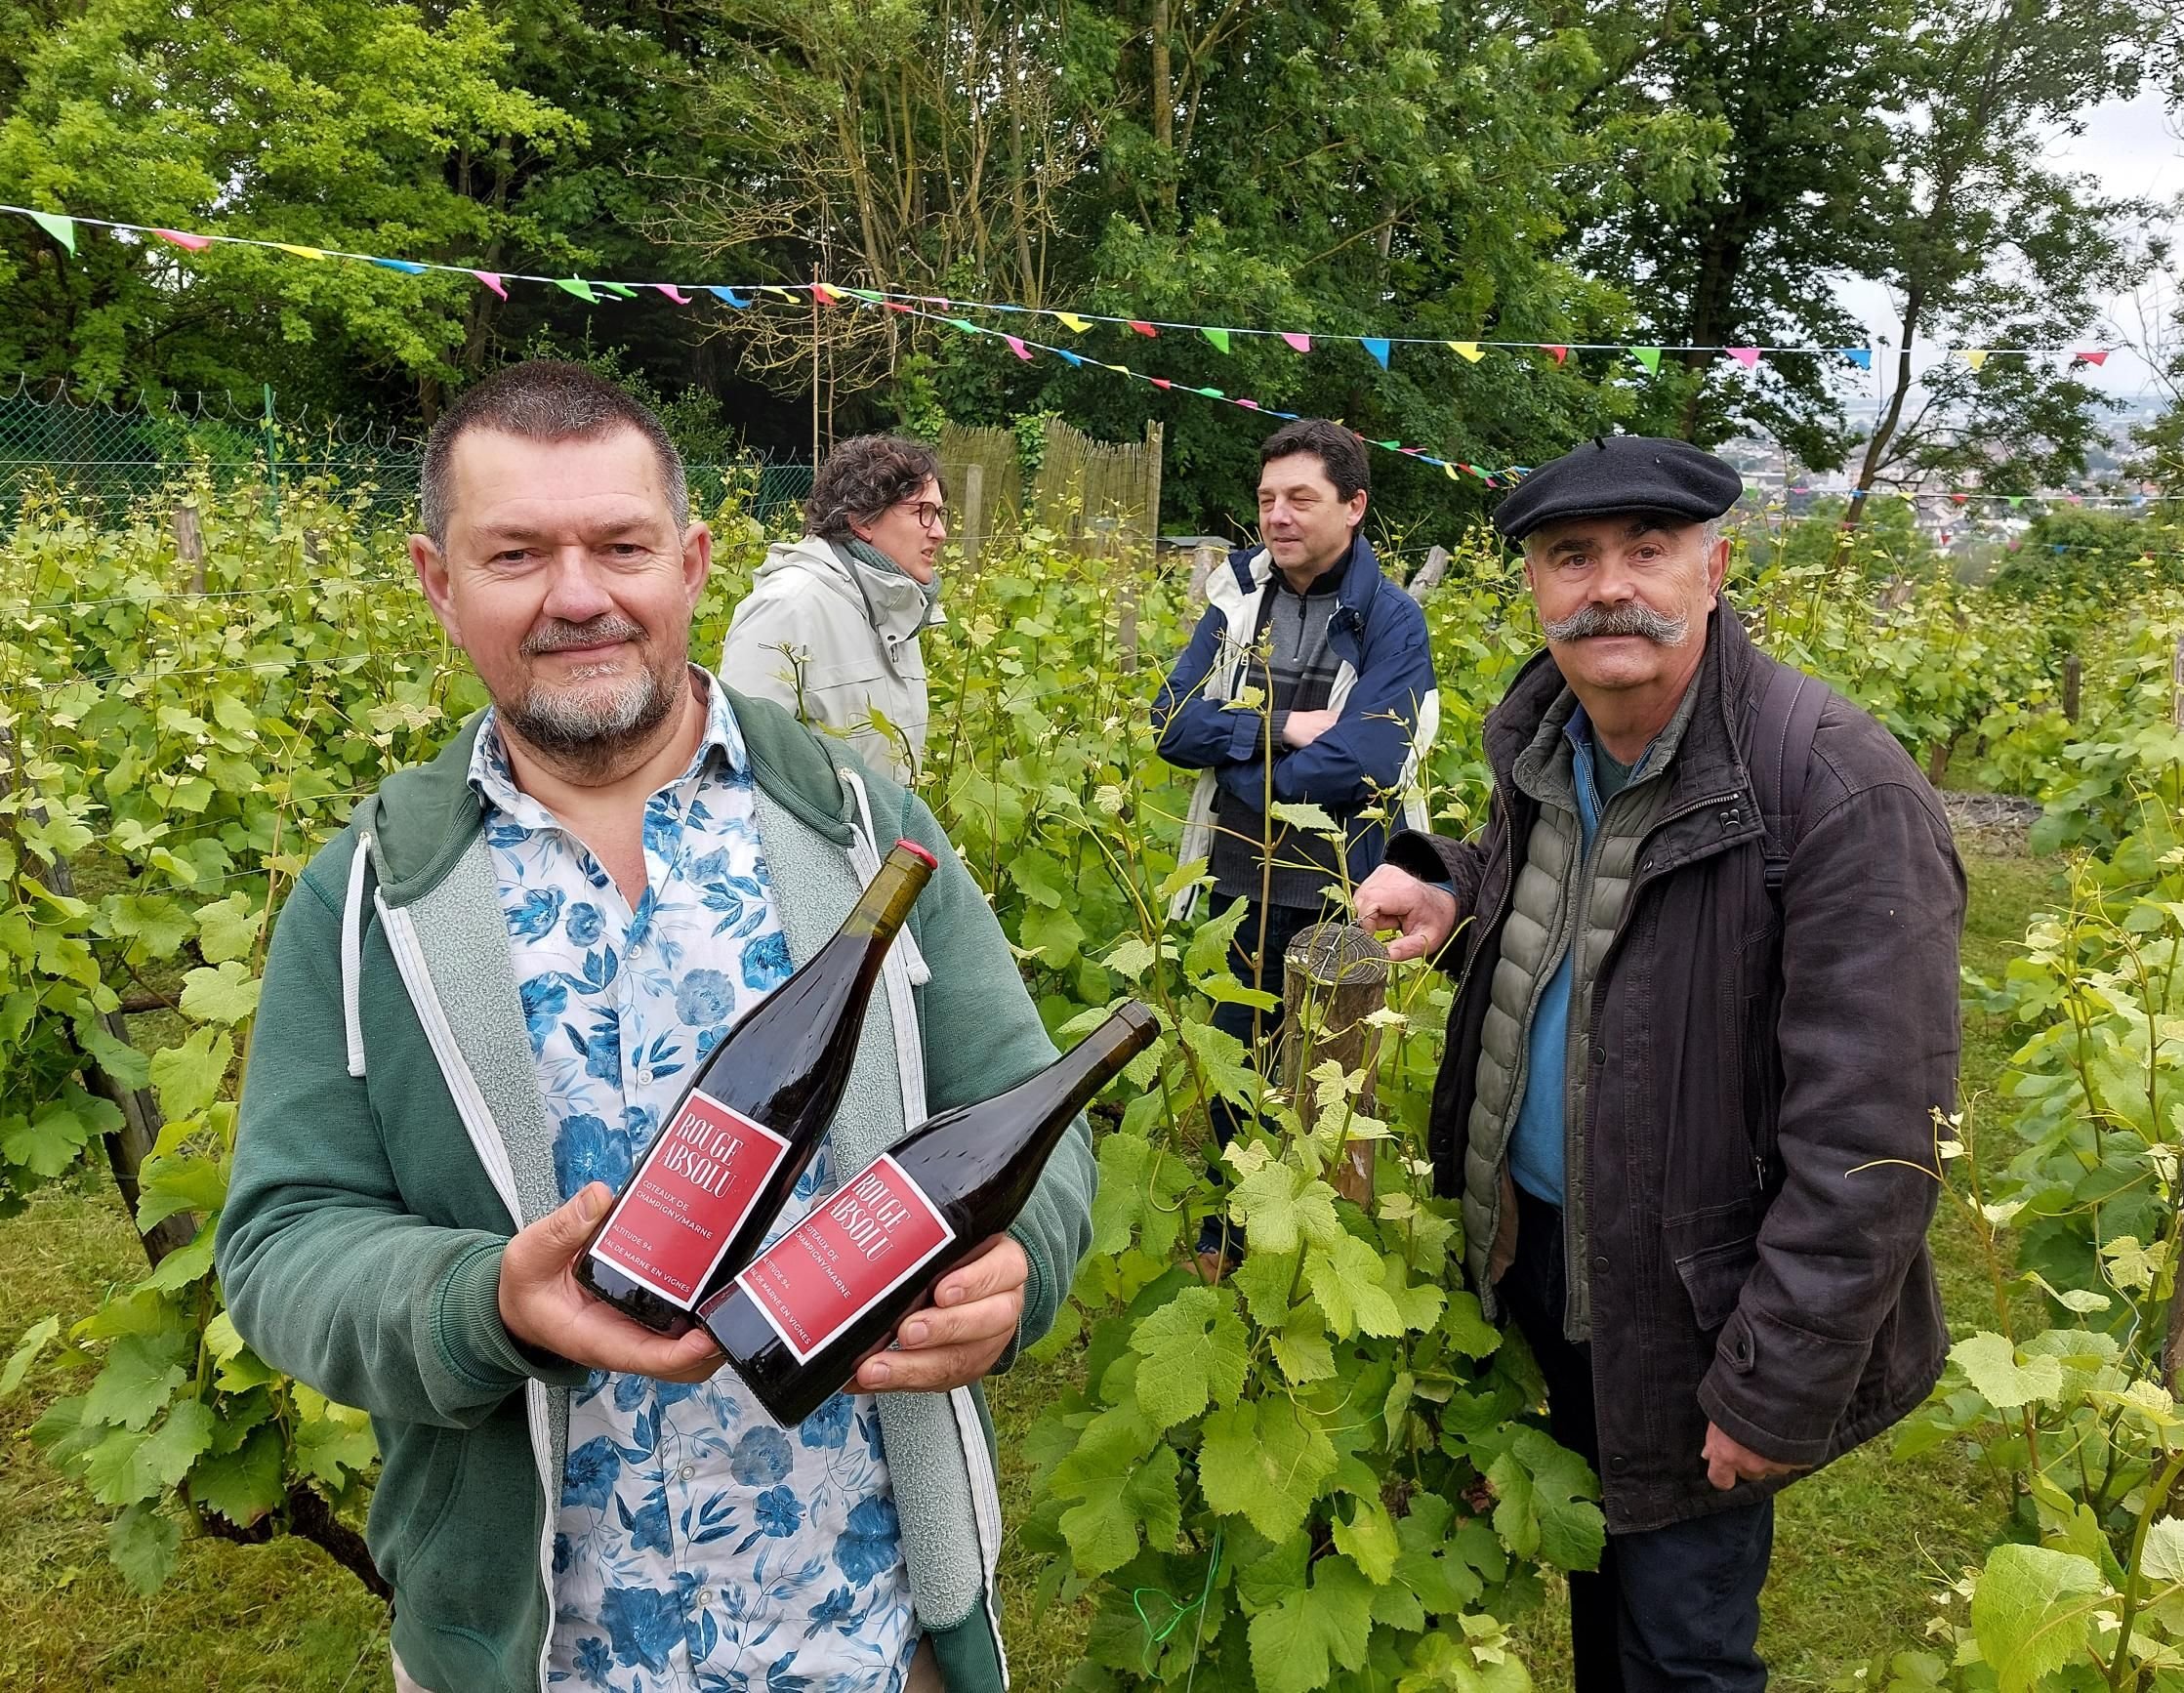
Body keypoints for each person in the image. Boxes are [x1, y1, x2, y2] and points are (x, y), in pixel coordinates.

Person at [215, 362, 1092, 1693]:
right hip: (542, 1661)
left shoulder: (866, 834)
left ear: (689, 564)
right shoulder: (368, 896)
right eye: (515, 553)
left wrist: (1021, 1263)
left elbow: (1032, 1111)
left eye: (619, 546)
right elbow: (281, 1246)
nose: (578, 595)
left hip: (862, 1639)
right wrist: (479, 1302)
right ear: (437, 581)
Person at [1352, 435, 1964, 1691]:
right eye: (1570, 557)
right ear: (1530, 583)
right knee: (1603, 1601)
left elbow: (1871, 1141)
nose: (1605, 585)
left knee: (1680, 1648)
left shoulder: (1833, 789)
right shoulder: (1551, 747)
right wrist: (1451, 891)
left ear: (1715, 568)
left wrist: (1777, 1386)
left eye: (1646, 550)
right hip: (1551, 1275)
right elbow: (1582, 915)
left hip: (1701, 1319)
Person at [1152, 419, 1437, 1263]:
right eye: (1268, 498)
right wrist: (1283, 726)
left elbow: (1371, 754)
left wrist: (1242, 766)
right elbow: (1170, 719)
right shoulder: (1238, 603)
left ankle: (1316, 1248)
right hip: (1236, 878)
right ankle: (1229, 1228)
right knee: (1236, 1065)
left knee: (1329, 1074)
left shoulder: (1393, 621)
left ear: (1353, 507)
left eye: (1300, 499)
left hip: (1344, 886)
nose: (1277, 516)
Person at [720, 435, 947, 782]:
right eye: (923, 513)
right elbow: (736, 769)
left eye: (940, 513)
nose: (940, 532)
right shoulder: (788, 607)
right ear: (862, 519)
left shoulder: (896, 608)